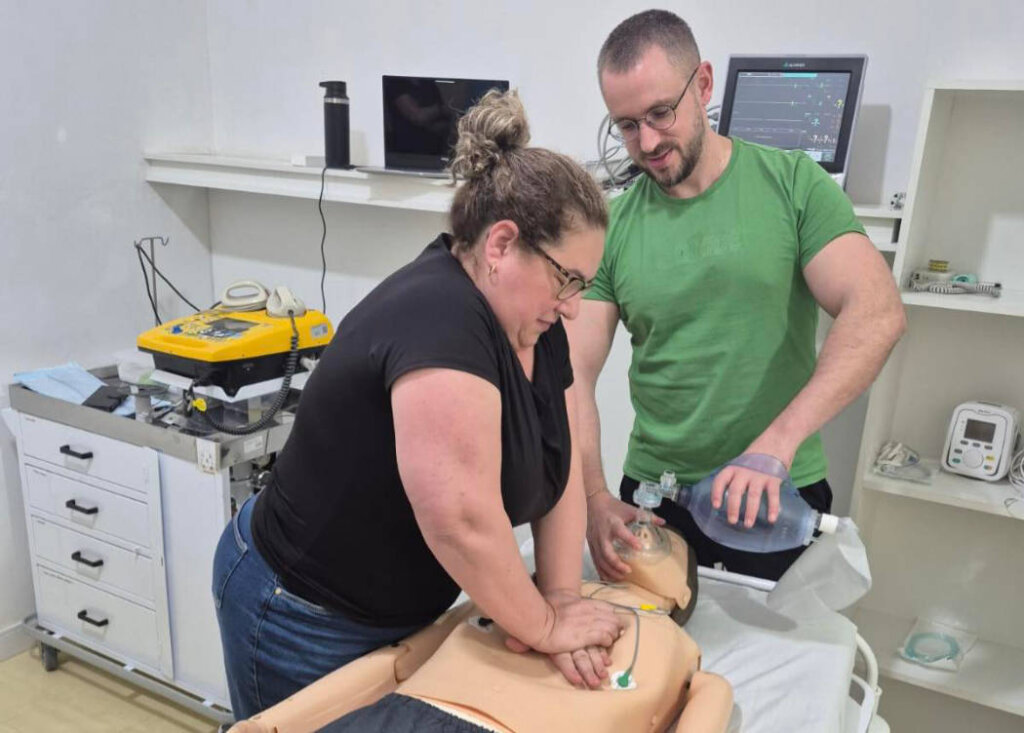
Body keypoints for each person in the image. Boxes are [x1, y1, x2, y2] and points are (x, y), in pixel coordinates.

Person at [212, 89, 625, 719]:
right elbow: (461, 522)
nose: (573, 305)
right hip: (300, 612)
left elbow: (560, 467)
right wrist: (544, 626)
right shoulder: (439, 322)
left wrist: (562, 596)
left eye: (583, 286)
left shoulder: (538, 326)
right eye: (566, 279)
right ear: (500, 245)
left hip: (398, 613)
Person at [571, 10, 906, 582]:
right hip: (653, 500)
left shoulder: (793, 185)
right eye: (626, 125)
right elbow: (571, 370)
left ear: (703, 84)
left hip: (775, 493)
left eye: (660, 113)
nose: (647, 142)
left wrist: (776, 444)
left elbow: (877, 313)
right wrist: (593, 495)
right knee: (648, 640)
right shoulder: (613, 227)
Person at [230, 528, 734, 733]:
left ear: (682, 592)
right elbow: (401, 660)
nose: (641, 528)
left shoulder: (673, 640)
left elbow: (711, 700)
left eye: (660, 539)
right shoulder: (518, 593)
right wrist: (270, 725)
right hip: (404, 715)